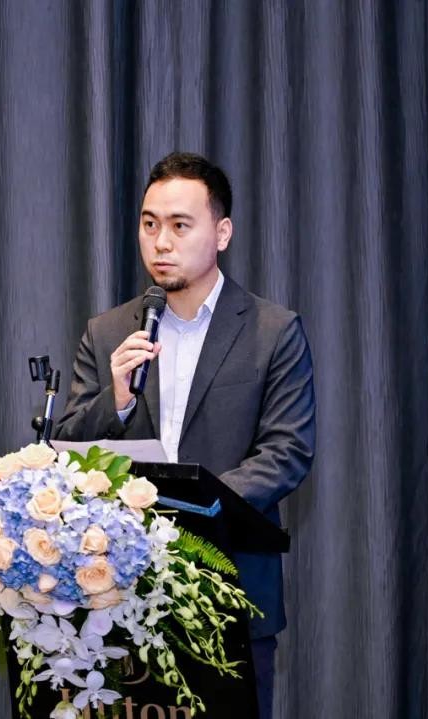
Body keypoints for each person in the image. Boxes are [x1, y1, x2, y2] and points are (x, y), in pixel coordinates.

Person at [54, 151, 316, 719]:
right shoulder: (108, 332)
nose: (161, 242)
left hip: (230, 590)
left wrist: (186, 509)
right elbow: (66, 448)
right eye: (150, 224)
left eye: (179, 225)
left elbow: (287, 452)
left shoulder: (273, 331)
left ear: (221, 233)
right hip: (116, 596)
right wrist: (116, 399)